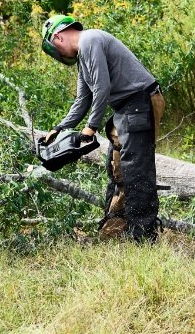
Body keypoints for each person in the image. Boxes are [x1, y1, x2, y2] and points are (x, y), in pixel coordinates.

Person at [40, 14, 164, 242]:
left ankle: (143, 236)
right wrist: (60, 127)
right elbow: (83, 99)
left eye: (55, 48)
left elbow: (102, 87)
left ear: (57, 38)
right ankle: (116, 229)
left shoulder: (90, 40)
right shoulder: (83, 56)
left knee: (135, 169)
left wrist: (90, 128)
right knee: (117, 168)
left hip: (140, 101)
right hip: (127, 107)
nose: (59, 54)